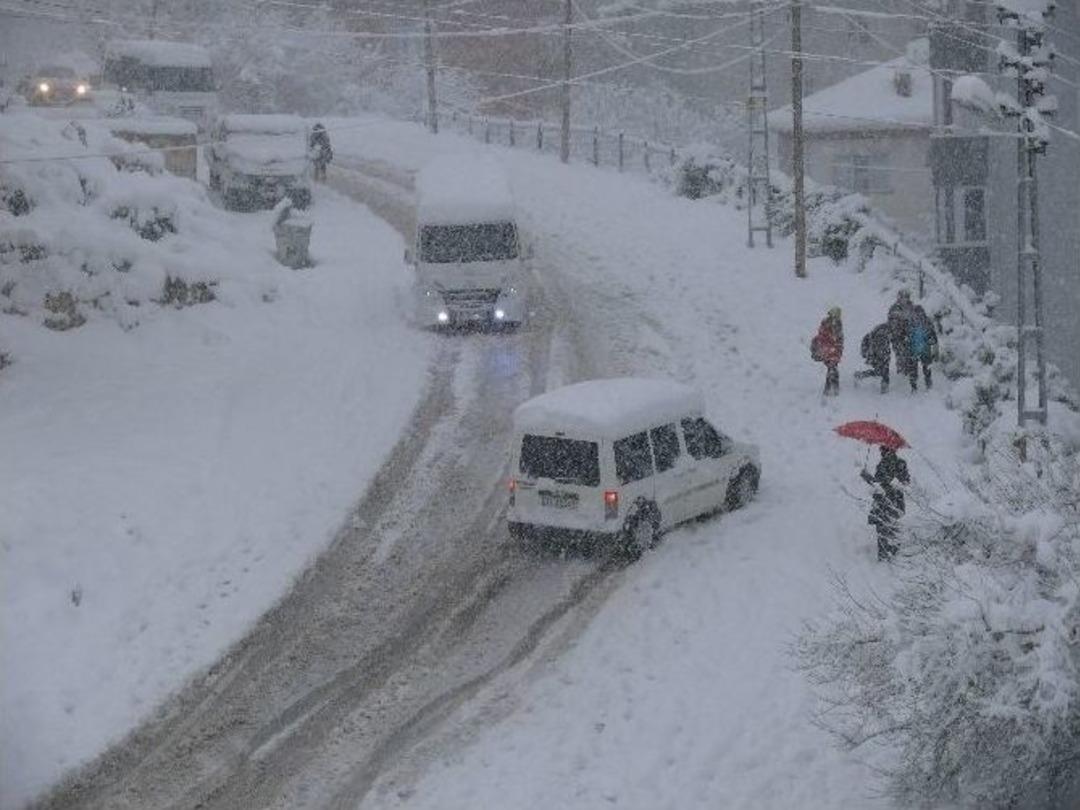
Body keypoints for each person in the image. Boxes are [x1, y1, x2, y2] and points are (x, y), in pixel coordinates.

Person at [861, 445, 909, 561]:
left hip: (886, 502)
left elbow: (881, 484)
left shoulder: (888, 464)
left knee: (884, 530)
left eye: (882, 449)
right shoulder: (899, 463)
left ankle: (886, 556)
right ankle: (889, 554)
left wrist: (868, 478)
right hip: (894, 502)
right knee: (889, 529)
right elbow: (904, 481)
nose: (880, 451)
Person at [811, 306, 844, 396]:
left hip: (826, 349)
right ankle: (832, 389)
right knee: (833, 369)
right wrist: (838, 349)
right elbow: (837, 339)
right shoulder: (834, 324)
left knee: (832, 369)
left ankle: (829, 389)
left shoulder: (826, 323)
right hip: (831, 350)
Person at [906, 302, 938, 391]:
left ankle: (928, 385)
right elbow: (905, 336)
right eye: (916, 314)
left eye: (920, 314)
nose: (918, 316)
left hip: (924, 350)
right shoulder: (909, 323)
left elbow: (934, 337)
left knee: (926, 369)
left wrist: (932, 341)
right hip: (913, 350)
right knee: (913, 370)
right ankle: (914, 387)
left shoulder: (927, 323)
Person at [855, 322, 893, 393]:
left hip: (880, 355)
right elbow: (880, 346)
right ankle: (884, 388)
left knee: (881, 372)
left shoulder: (879, 331)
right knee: (882, 372)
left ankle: (861, 375)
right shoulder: (884, 332)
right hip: (879, 356)